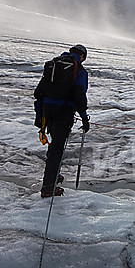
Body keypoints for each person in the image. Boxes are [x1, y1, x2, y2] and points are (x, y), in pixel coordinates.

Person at [33, 44, 90, 198]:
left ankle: (53, 175)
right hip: (63, 113)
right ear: (82, 56)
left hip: (47, 111)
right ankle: (48, 187)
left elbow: (39, 92)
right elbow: (79, 95)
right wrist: (84, 118)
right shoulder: (79, 70)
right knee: (57, 148)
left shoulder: (53, 65)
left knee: (54, 145)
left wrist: (40, 115)